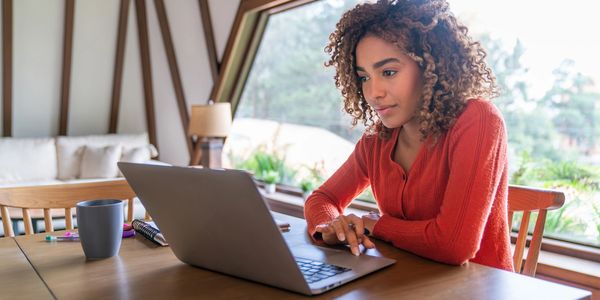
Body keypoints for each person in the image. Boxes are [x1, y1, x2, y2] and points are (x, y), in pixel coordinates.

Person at [304, 0, 513, 271]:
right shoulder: (376, 141)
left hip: (478, 288)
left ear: (431, 67)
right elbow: (322, 199)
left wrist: (376, 224)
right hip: (404, 282)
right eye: (364, 77)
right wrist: (331, 227)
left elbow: (454, 245)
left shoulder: (479, 120)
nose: (373, 92)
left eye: (388, 72)